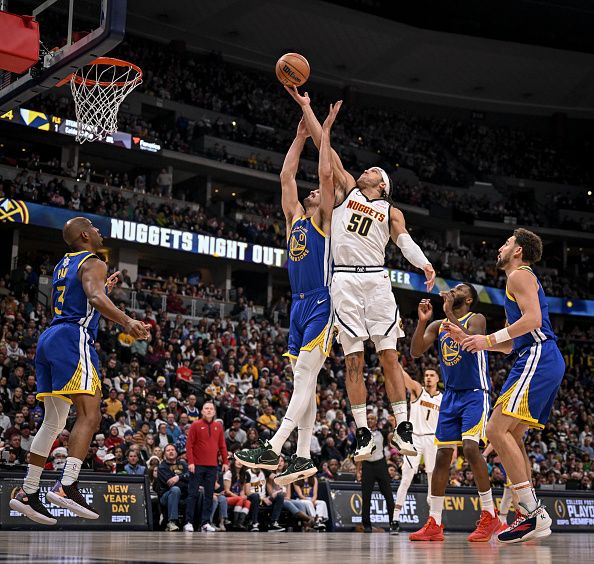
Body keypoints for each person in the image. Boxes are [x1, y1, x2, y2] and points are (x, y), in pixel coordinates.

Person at [285, 85, 435, 461]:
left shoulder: (390, 210)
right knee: (353, 360)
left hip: (377, 279)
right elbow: (326, 148)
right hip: (344, 280)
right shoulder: (349, 189)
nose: (365, 170)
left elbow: (404, 243)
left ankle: (402, 426)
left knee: (389, 356)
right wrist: (307, 108)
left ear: (382, 184)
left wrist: (423, 263)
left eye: (373, 170)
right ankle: (364, 433)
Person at [9, 217, 150, 525]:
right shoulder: (95, 262)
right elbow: (95, 298)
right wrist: (129, 322)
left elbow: (82, 296)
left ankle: (28, 491)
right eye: (95, 228)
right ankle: (67, 484)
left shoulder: (65, 262)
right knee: (91, 414)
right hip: (73, 338)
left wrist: (102, 290)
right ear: (85, 235)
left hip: (50, 338)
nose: (100, 232)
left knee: (54, 420)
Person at [235, 103, 341, 485]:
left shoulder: (325, 220)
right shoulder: (295, 218)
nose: (312, 192)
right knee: (304, 382)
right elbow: (286, 176)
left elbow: (325, 176)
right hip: (297, 305)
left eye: (316, 193)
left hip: (322, 301)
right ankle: (301, 457)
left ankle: (276, 447)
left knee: (304, 373)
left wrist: (322, 131)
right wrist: (298, 138)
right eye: (309, 192)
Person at [446, 229, 565, 543]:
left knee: (496, 429)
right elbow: (513, 342)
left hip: (539, 356)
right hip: (536, 355)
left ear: (518, 251)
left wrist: (487, 338)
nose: (501, 246)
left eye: (507, 243)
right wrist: (477, 343)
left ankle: (532, 513)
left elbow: (534, 320)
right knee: (508, 433)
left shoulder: (519, 275)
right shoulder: (517, 280)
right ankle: (530, 513)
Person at [409, 285, 499, 542]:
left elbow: (470, 342)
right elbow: (416, 351)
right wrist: (423, 321)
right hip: (450, 395)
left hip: (474, 393)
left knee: (471, 448)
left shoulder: (477, 319)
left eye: (460, 288)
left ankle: (490, 514)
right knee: (442, 455)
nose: (453, 289)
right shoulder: (438, 325)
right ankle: (435, 522)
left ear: (468, 299)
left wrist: (449, 313)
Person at [392, 368, 442, 534]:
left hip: (432, 439)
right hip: (414, 438)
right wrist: (393, 361)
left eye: (431, 375)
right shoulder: (417, 391)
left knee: (432, 479)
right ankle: (395, 519)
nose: (428, 377)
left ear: (437, 379)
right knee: (406, 478)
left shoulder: (443, 398)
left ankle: (433, 520)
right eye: (426, 375)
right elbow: (404, 377)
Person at [184, 402, 229, 532]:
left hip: (212, 466)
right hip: (197, 465)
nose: (209, 411)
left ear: (214, 412)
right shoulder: (195, 425)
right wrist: (190, 462)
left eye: (211, 409)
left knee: (209, 495)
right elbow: (189, 445)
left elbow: (222, 446)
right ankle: (188, 522)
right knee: (192, 494)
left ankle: (205, 522)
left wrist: (225, 461)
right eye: (206, 409)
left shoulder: (218, 426)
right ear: (202, 411)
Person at [357, 413, 395, 533]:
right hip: (367, 465)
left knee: (388, 495)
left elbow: (393, 437)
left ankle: (393, 523)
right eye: (368, 418)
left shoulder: (382, 432)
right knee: (366, 496)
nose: (370, 420)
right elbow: (358, 452)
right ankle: (367, 525)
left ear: (376, 421)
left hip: (381, 465)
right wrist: (358, 470)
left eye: (372, 419)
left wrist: (394, 424)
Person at [157, 444, 189, 532]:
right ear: (164, 454)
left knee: (199, 491)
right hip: (166, 495)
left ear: (176, 452)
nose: (171, 451)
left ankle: (194, 522)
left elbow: (191, 476)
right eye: (168, 450)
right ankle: (172, 522)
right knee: (175, 489)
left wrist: (178, 477)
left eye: (172, 450)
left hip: (184, 494)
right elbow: (170, 483)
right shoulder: (162, 467)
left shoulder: (183, 464)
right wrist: (185, 480)